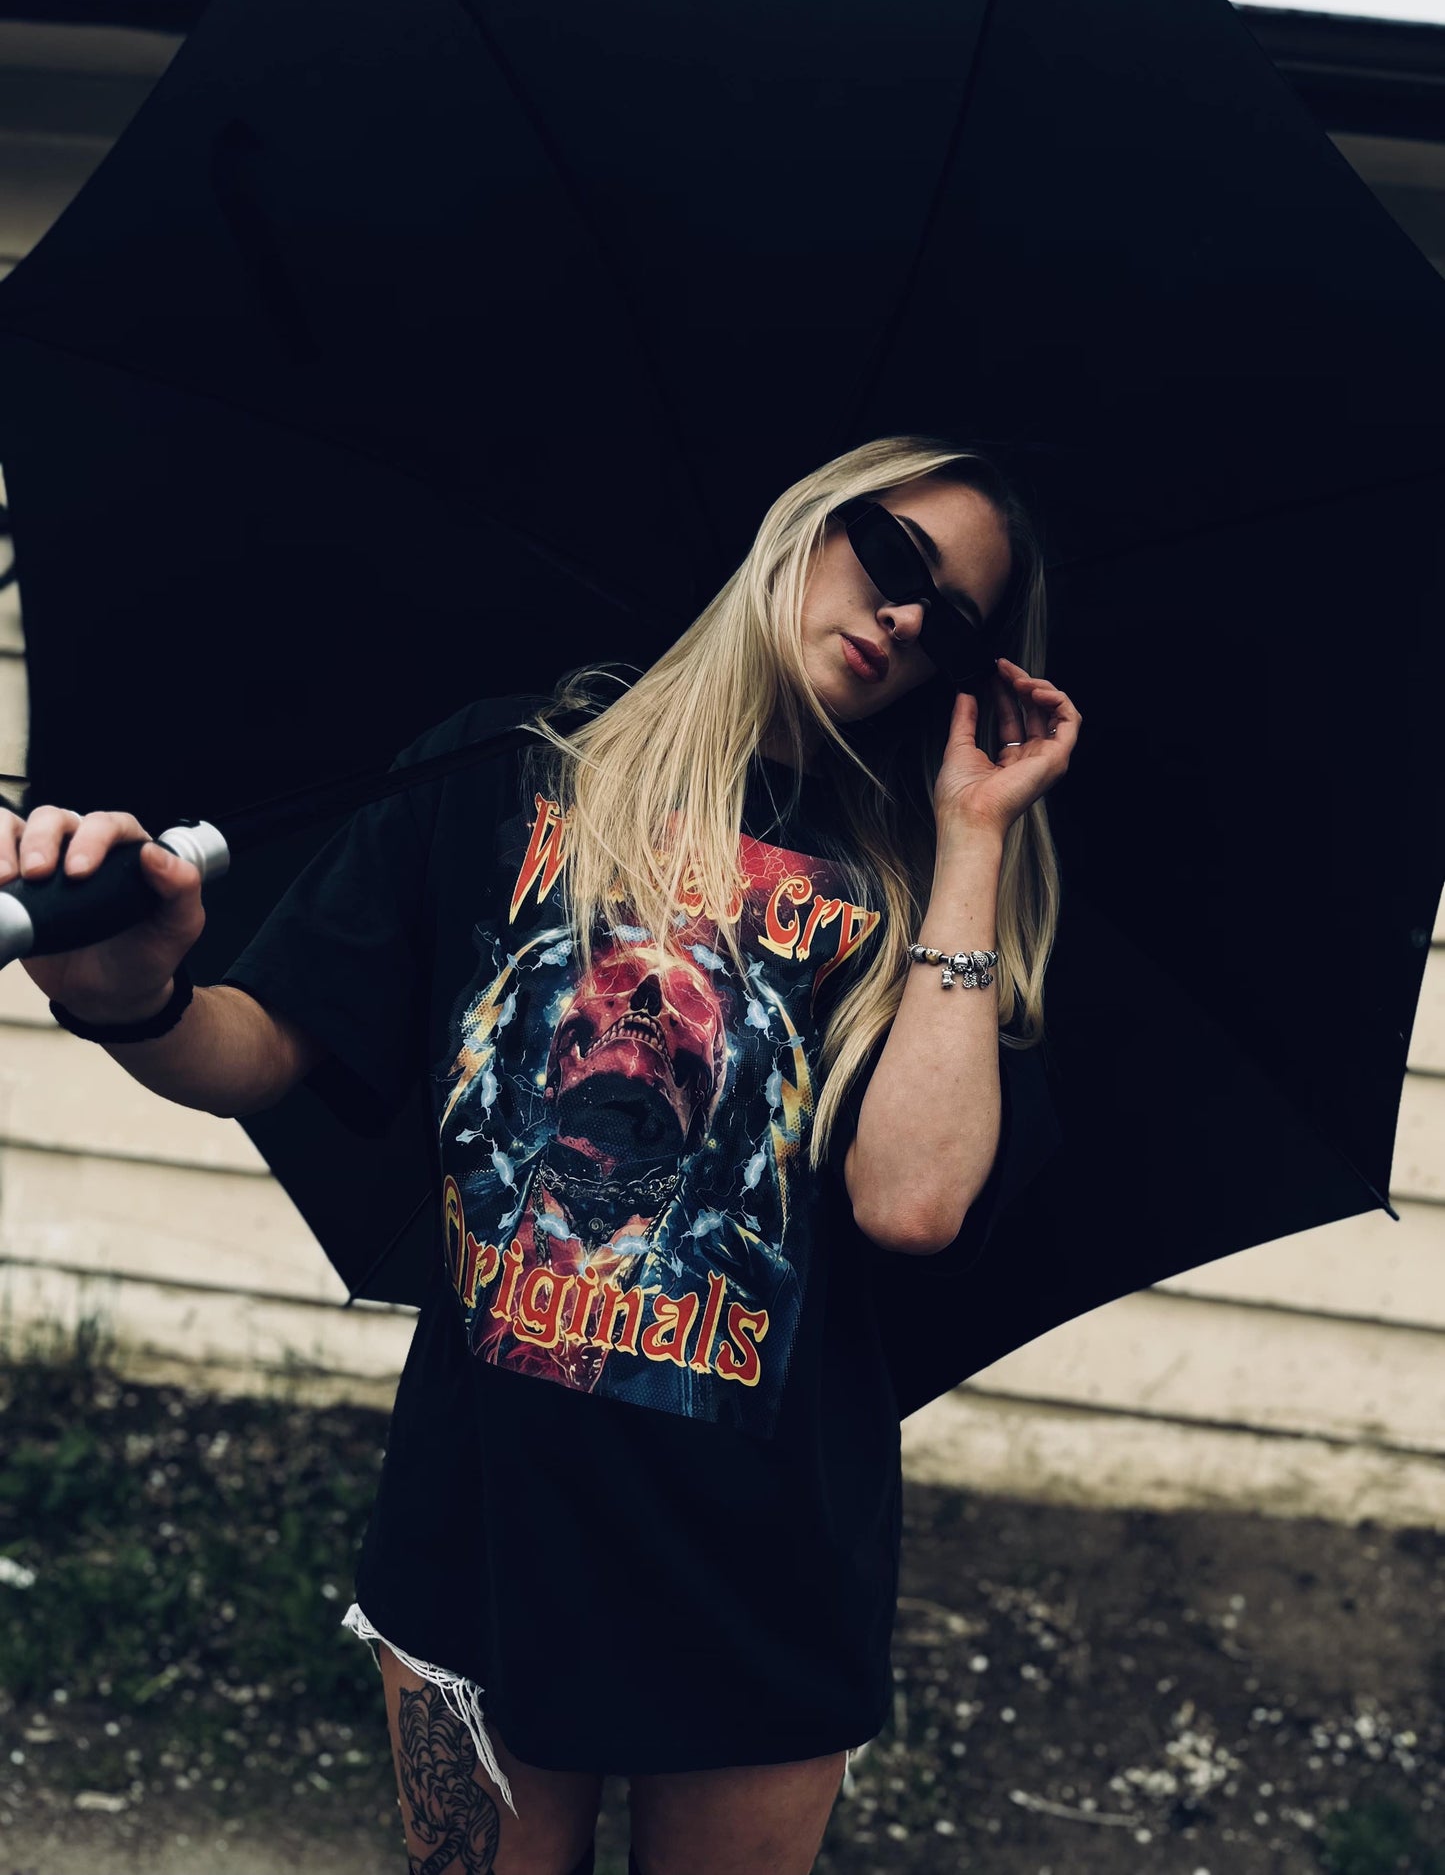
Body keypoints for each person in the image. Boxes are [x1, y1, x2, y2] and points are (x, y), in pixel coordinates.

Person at [11, 432, 1079, 1875]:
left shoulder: (914, 877)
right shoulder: (500, 768)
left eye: (948, 620)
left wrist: (967, 842)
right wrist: (130, 995)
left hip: (758, 1564)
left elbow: (909, 1202)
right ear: (799, 527)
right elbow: (257, 1052)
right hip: (478, 1527)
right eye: (890, 559)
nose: (902, 619)